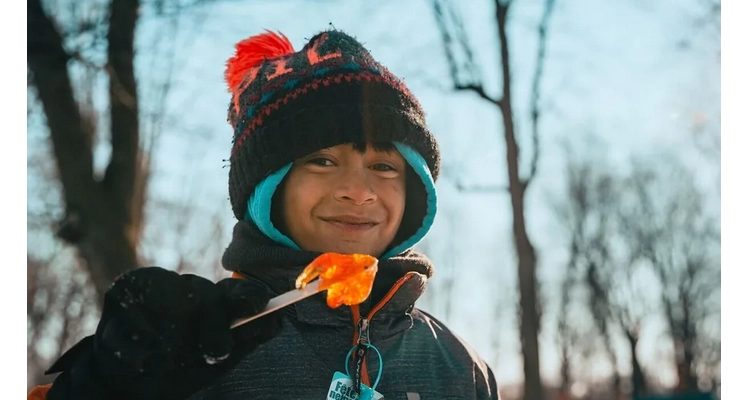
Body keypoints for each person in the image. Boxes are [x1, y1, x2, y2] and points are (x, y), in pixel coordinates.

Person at [28, 29, 500, 400]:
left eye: (383, 166)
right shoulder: (201, 346)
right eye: (322, 160)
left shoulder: (459, 365)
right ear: (266, 190)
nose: (359, 191)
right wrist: (104, 388)